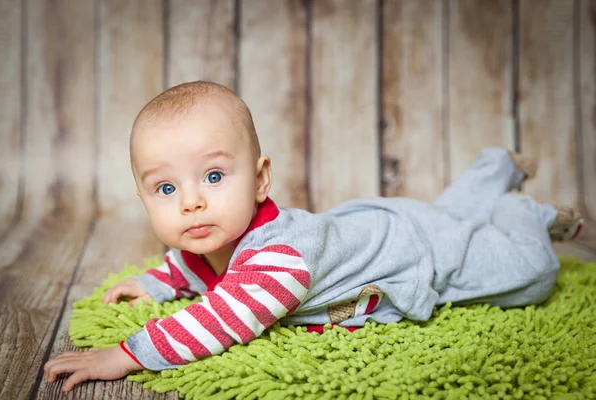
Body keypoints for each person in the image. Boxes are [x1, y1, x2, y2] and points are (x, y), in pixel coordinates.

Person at [44, 81, 584, 391]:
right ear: (143, 199)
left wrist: (126, 353)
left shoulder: (278, 260)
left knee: (530, 274)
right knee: (447, 212)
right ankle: (493, 168)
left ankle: (520, 210)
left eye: (213, 176)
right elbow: (189, 264)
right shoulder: (212, 238)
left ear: (260, 179)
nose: (191, 201)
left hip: (417, 252)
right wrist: (157, 283)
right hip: (376, 223)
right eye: (165, 188)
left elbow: (219, 320)